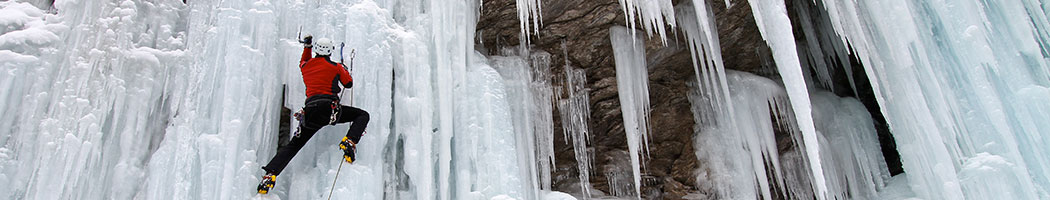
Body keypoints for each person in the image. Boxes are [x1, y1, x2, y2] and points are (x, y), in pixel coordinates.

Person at [257, 35, 370, 194]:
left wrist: (307, 47)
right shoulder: (335, 67)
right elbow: (348, 83)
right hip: (329, 109)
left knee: (294, 145)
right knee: (362, 115)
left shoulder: (306, 66)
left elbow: (303, 61)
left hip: (309, 113)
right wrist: (343, 69)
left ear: (316, 50)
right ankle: (350, 141)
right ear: (330, 51)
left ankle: (270, 175)